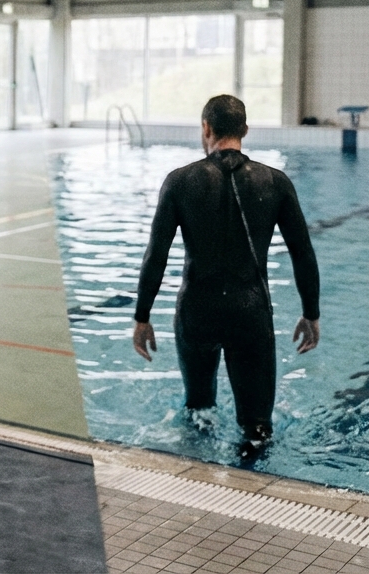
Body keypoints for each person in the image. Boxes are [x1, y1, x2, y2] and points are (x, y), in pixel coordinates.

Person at [132, 94, 320, 458]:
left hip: (195, 311)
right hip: (250, 312)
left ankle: (196, 481)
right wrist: (310, 313)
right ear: (245, 130)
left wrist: (142, 317)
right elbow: (302, 252)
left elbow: (156, 255)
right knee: (257, 427)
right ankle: (250, 487)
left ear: (206, 128)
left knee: (199, 411)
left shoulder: (178, 181)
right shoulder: (275, 182)